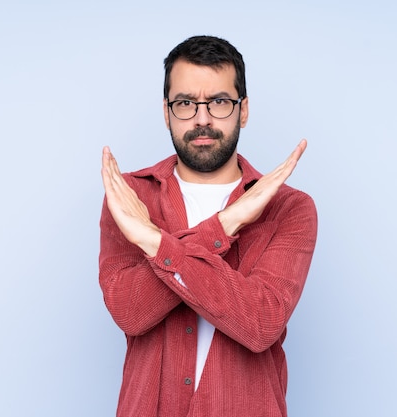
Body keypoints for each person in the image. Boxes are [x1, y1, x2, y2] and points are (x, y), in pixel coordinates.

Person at [99, 35, 317, 417]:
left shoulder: (289, 208)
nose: (202, 118)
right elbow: (131, 313)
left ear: (243, 110)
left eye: (218, 102)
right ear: (166, 112)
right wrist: (227, 223)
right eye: (185, 103)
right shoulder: (128, 198)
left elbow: (261, 324)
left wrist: (153, 242)